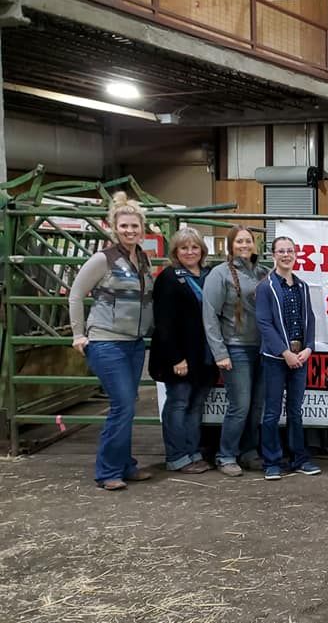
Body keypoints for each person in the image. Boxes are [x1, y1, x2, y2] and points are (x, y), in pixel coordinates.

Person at [69, 191, 154, 491]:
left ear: (142, 229)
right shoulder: (102, 259)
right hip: (107, 342)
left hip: (134, 343)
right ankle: (107, 471)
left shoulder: (142, 258)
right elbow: (76, 294)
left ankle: (125, 464)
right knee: (122, 405)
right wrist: (78, 333)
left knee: (128, 404)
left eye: (135, 227)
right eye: (124, 226)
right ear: (112, 227)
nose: (130, 231)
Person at [149, 227, 218, 474]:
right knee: (178, 402)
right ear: (176, 252)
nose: (190, 252)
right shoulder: (168, 277)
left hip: (204, 354)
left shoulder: (209, 275)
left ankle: (193, 452)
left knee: (195, 405)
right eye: (184, 248)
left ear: (202, 250)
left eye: (194, 247)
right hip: (179, 355)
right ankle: (177, 456)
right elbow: (163, 322)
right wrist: (176, 357)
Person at [202, 225, 268, 477]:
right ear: (230, 246)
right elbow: (210, 316)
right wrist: (220, 352)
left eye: (248, 241)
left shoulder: (262, 272)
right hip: (236, 347)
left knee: (256, 405)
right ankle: (226, 454)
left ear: (254, 244)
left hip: (261, 348)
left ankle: (249, 451)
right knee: (240, 405)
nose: (244, 245)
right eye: (239, 241)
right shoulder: (219, 275)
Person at [255, 236, 323, 480]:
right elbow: (264, 323)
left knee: (295, 410)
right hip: (275, 358)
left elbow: (310, 319)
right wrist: (285, 353)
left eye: (290, 251)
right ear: (273, 255)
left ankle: (299, 458)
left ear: (296, 255)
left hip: (300, 357)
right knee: (272, 411)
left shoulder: (302, 287)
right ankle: (272, 461)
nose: (286, 255)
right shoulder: (266, 287)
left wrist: (309, 348)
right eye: (281, 251)